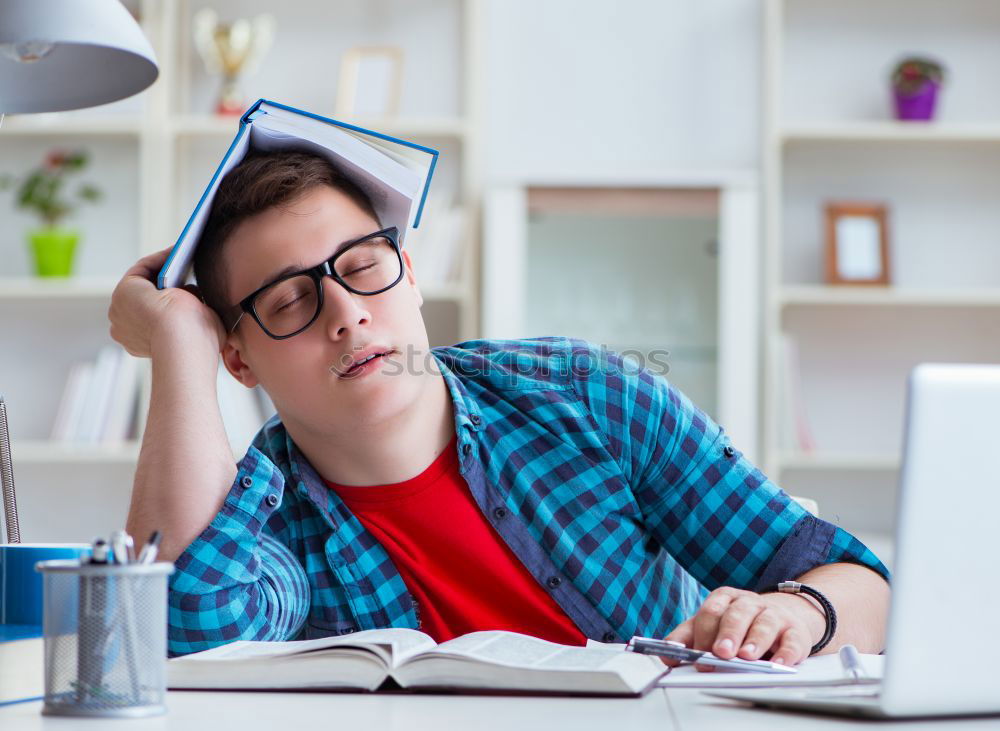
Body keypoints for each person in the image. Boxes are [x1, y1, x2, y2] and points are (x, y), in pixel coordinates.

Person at [109, 149, 890, 664]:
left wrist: (805, 614)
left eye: (364, 267)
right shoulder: (267, 513)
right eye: (290, 301)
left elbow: (864, 585)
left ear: (410, 274)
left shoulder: (586, 394)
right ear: (239, 355)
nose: (346, 314)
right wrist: (180, 341)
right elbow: (180, 635)